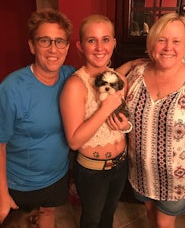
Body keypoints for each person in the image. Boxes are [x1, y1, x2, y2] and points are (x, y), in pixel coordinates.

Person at [117, 12, 185, 228]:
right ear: (152, 43)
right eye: (161, 40)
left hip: (177, 177)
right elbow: (103, 84)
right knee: (152, 217)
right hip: (141, 171)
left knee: (164, 224)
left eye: (176, 41)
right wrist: (130, 63)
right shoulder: (137, 73)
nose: (167, 47)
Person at [0, 8, 75, 228]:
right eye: (45, 41)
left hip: (56, 175)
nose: (53, 49)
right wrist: (2, 193)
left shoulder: (71, 76)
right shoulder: (11, 88)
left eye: (59, 41)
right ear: (32, 45)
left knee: (48, 212)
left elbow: (101, 76)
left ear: (67, 47)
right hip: (20, 183)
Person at [60, 14, 132, 228]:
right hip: (92, 172)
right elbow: (73, 141)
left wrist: (126, 126)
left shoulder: (120, 80)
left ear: (114, 43)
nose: (100, 47)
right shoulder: (75, 86)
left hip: (120, 165)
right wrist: (105, 108)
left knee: (108, 215)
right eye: (92, 40)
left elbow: (125, 121)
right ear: (80, 46)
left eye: (105, 39)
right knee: (92, 219)